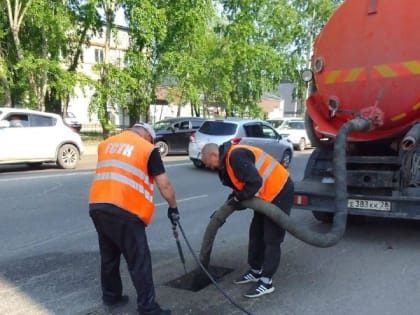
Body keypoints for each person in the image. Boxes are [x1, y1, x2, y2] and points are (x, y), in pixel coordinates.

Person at [89, 122, 179, 315]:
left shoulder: (106, 143)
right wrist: (173, 207)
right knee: (139, 261)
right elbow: (164, 185)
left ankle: (111, 296)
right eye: (151, 139)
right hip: (125, 210)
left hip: (98, 205)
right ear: (147, 135)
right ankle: (148, 308)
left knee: (109, 256)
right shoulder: (147, 149)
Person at [200, 141, 294, 298]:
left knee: (271, 237)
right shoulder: (227, 163)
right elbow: (241, 187)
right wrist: (231, 203)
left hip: (279, 190)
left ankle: (266, 281)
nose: (208, 167)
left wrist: (239, 199)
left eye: (207, 163)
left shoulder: (235, 157)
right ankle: (255, 270)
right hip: (264, 195)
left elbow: (254, 182)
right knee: (256, 232)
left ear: (214, 154)